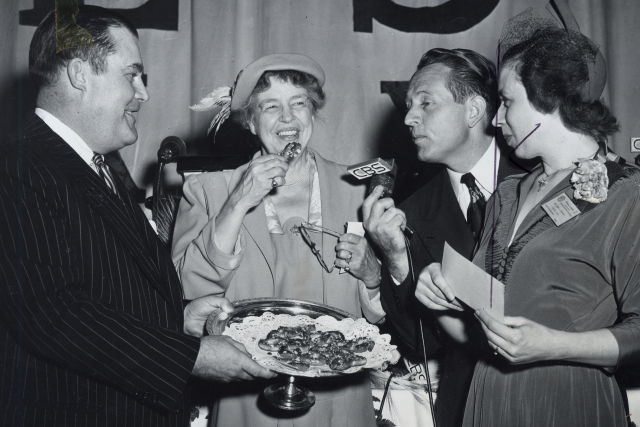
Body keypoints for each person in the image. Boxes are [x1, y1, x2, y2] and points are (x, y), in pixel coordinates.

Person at [0, 7, 274, 426]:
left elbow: (101, 291)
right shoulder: (18, 166)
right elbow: (53, 314)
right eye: (132, 75)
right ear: (79, 75)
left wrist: (178, 318)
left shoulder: (88, 165)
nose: (143, 93)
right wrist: (190, 357)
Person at [417, 26, 640, 427]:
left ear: (548, 101)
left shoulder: (627, 194)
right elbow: (479, 331)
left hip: (567, 402)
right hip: (487, 397)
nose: (496, 118)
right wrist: (438, 294)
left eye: (506, 102)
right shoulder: (508, 192)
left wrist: (552, 345)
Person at [171, 53, 382, 427]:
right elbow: (184, 294)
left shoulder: (360, 189)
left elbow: (387, 313)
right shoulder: (207, 190)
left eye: (298, 103)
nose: (288, 118)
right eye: (271, 107)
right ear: (251, 122)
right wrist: (237, 202)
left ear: (312, 113)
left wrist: (372, 274)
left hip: (340, 404)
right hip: (247, 403)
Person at [362, 48, 524, 427]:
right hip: (467, 408)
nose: (408, 117)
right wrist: (397, 259)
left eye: (426, 103)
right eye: (408, 105)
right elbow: (422, 344)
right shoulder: (411, 210)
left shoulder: (541, 177)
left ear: (473, 110)